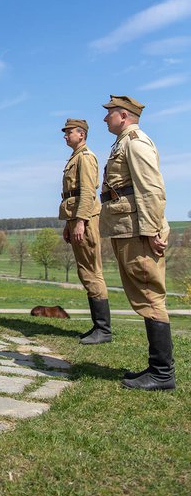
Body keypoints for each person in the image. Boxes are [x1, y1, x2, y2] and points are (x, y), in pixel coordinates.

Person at [99, 95, 174, 390]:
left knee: (149, 294)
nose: (105, 118)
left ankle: (162, 373)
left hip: (138, 230)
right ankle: (157, 369)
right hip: (127, 228)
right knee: (143, 294)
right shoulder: (123, 143)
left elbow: (151, 188)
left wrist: (153, 230)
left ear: (124, 115)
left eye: (109, 113)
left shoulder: (135, 142)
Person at [59, 118, 111, 344]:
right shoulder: (75, 157)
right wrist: (69, 223)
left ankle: (103, 330)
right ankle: (98, 327)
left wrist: (81, 221)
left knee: (91, 271)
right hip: (76, 218)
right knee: (85, 270)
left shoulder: (86, 157)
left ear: (81, 134)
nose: (65, 136)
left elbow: (88, 192)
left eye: (69, 132)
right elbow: (73, 194)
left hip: (85, 219)